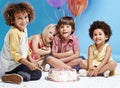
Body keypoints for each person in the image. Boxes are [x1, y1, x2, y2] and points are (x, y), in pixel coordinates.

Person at [0, 2, 42, 84]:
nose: (24, 21)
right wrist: (29, 64)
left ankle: (16, 75)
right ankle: (13, 75)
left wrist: (31, 60)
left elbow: (25, 47)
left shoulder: (24, 29)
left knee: (37, 70)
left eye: (25, 17)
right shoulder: (14, 33)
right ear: (12, 20)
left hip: (18, 63)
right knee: (37, 73)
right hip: (10, 66)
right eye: (19, 18)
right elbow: (14, 53)